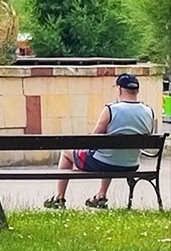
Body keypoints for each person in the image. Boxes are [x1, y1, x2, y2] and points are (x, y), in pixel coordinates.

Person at [44, 73, 156, 209]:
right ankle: (101, 195)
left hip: (102, 163)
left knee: (67, 152)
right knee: (108, 152)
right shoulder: (148, 111)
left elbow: (94, 139)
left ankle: (59, 198)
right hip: (130, 164)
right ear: (137, 90)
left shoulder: (111, 109)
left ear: (120, 89)